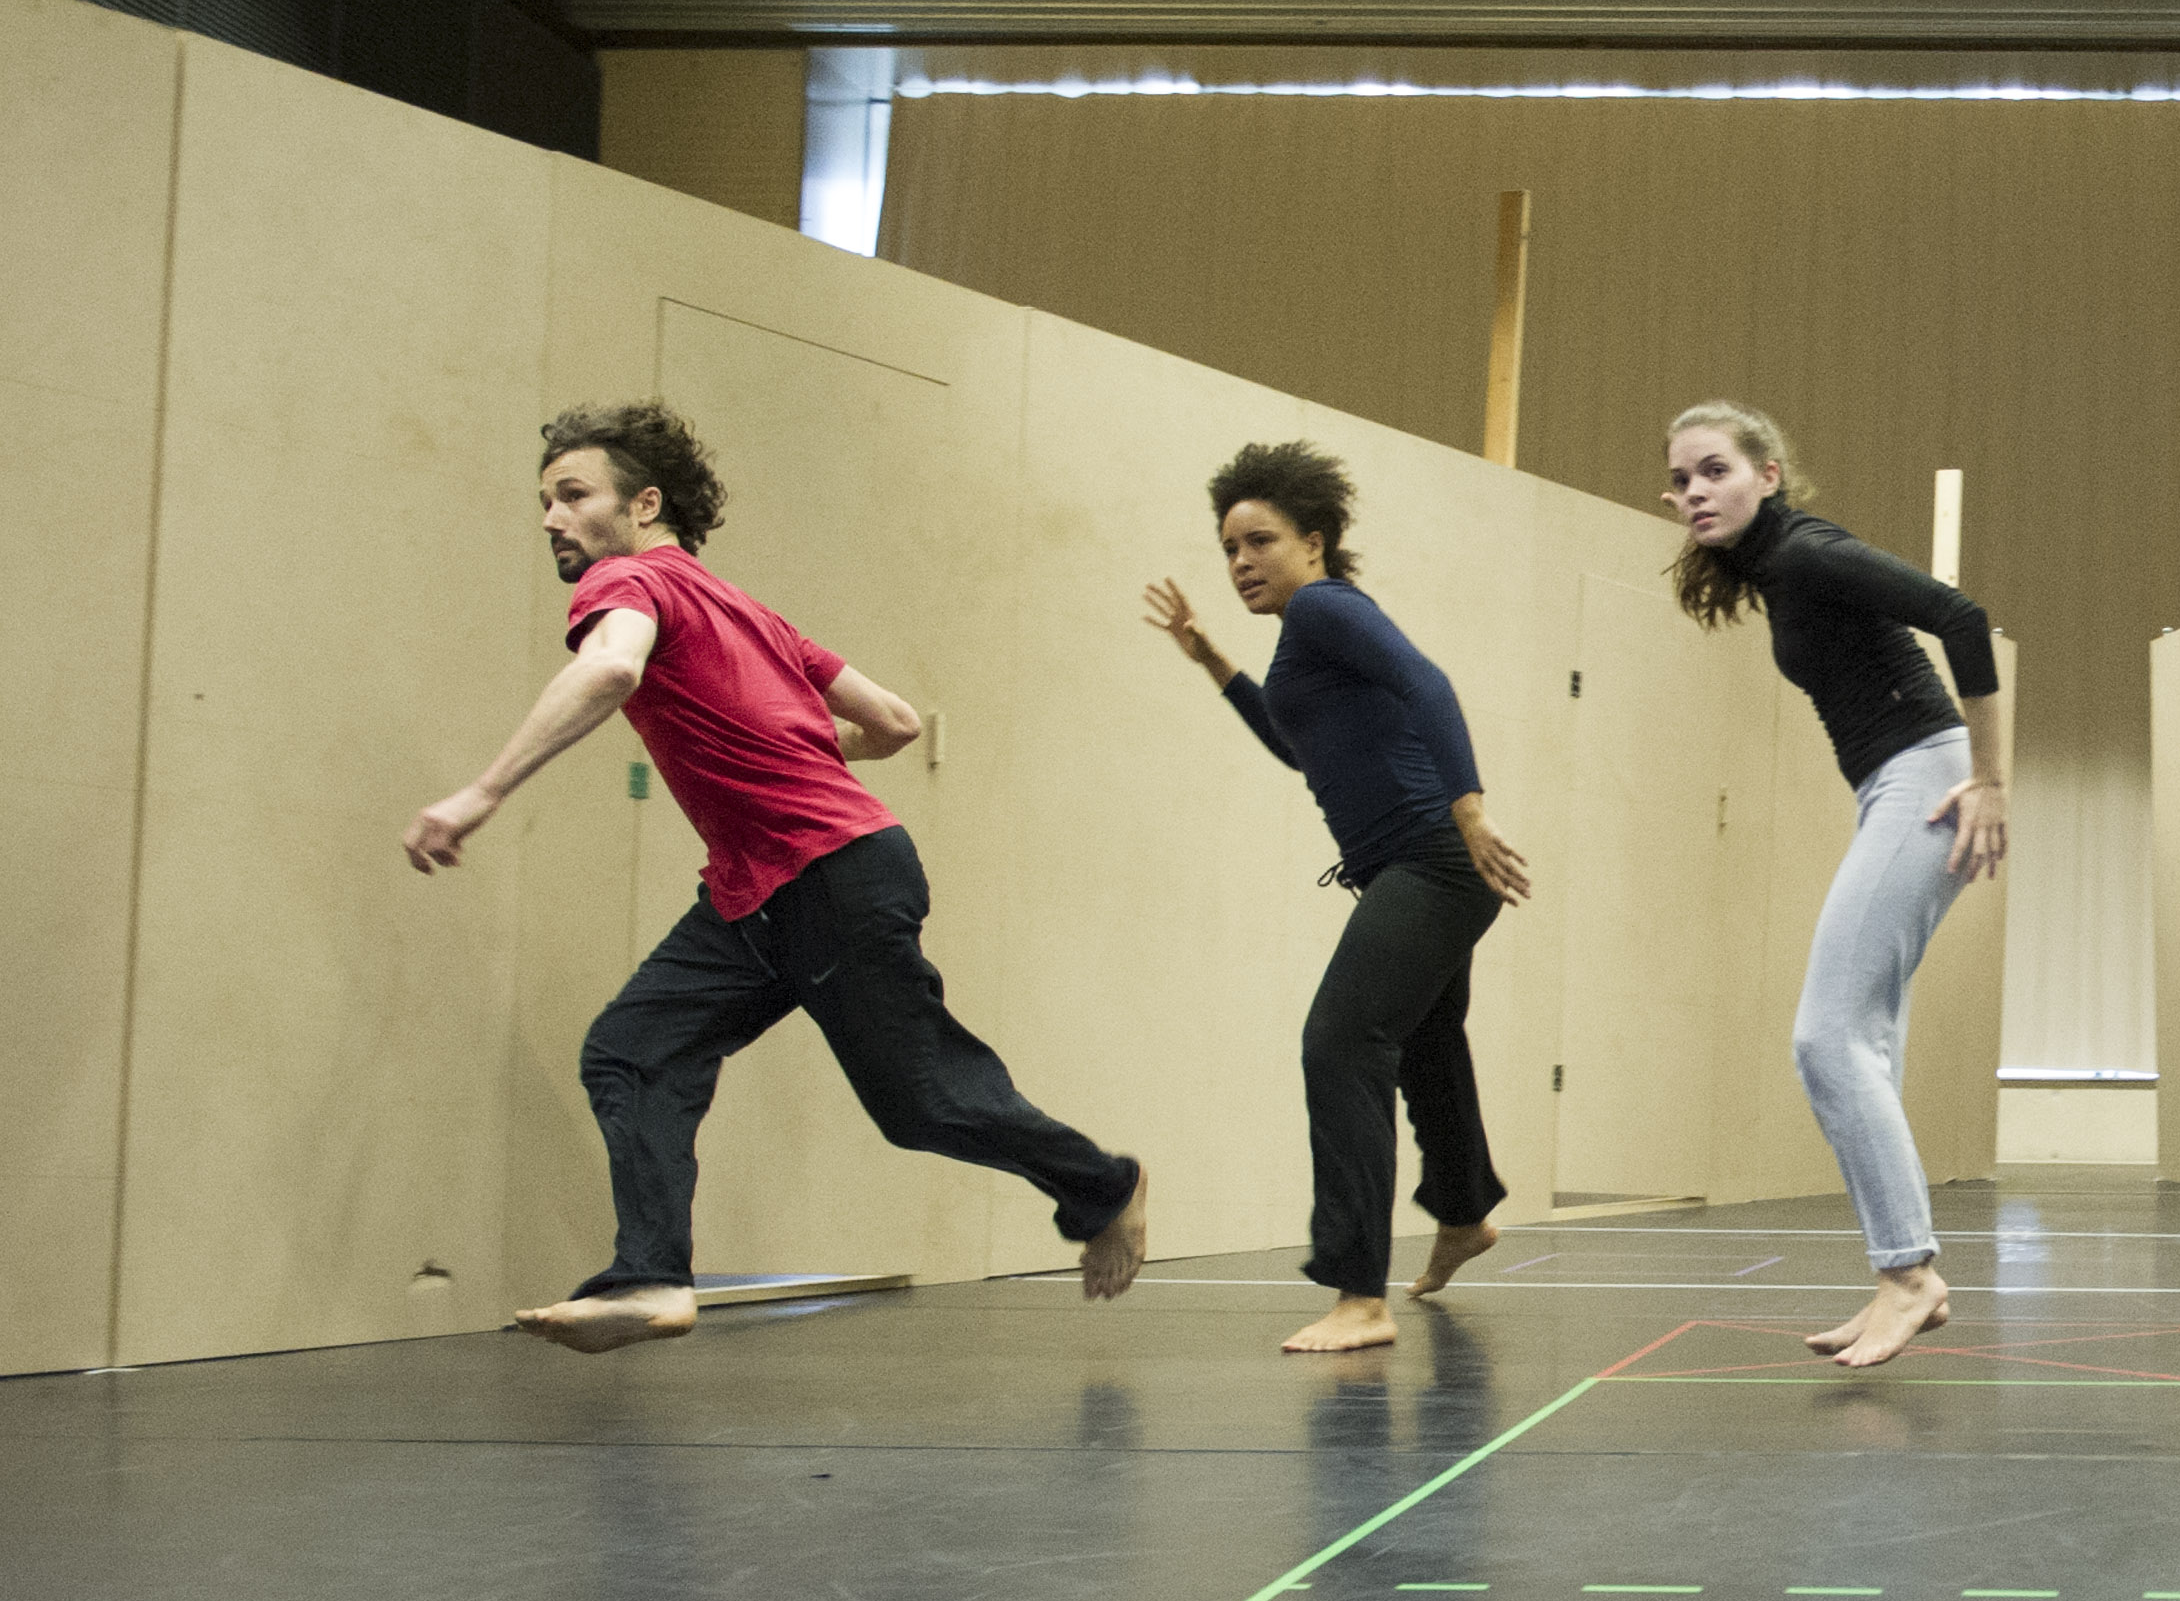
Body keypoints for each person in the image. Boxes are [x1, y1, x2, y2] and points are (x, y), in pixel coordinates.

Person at [403, 402, 1148, 1350]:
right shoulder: (745, 609)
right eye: (544, 500)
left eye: (573, 494)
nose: (551, 516)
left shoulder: (626, 583)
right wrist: (791, 743)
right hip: (755, 892)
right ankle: (651, 1278)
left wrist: (480, 793)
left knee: (921, 1101)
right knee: (634, 1049)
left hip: (826, 873)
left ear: (645, 506)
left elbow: (610, 673)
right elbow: (895, 724)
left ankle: (1103, 1184)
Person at [1142, 441, 1530, 1353]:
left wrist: (1470, 811)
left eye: (1260, 541)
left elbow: (1427, 682)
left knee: (1341, 1040)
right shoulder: (1305, 635)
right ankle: (1466, 1211)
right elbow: (1295, 745)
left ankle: (1360, 1292)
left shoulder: (1322, 606)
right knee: (1425, 1042)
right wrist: (1208, 655)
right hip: (1422, 864)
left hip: (1431, 857)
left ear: (1313, 542)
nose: (1241, 562)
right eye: (1229, 547)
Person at [1661, 402, 2007, 1369]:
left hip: (1927, 778)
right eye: (1683, 479)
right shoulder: (1770, 569)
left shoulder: (1807, 553)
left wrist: (1989, 779)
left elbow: (1962, 617)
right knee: (1865, 1041)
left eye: (1716, 470)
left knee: (1825, 1035)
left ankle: (1911, 1273)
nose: (1696, 491)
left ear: (1769, 473)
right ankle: (1899, 1276)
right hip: (1890, 784)